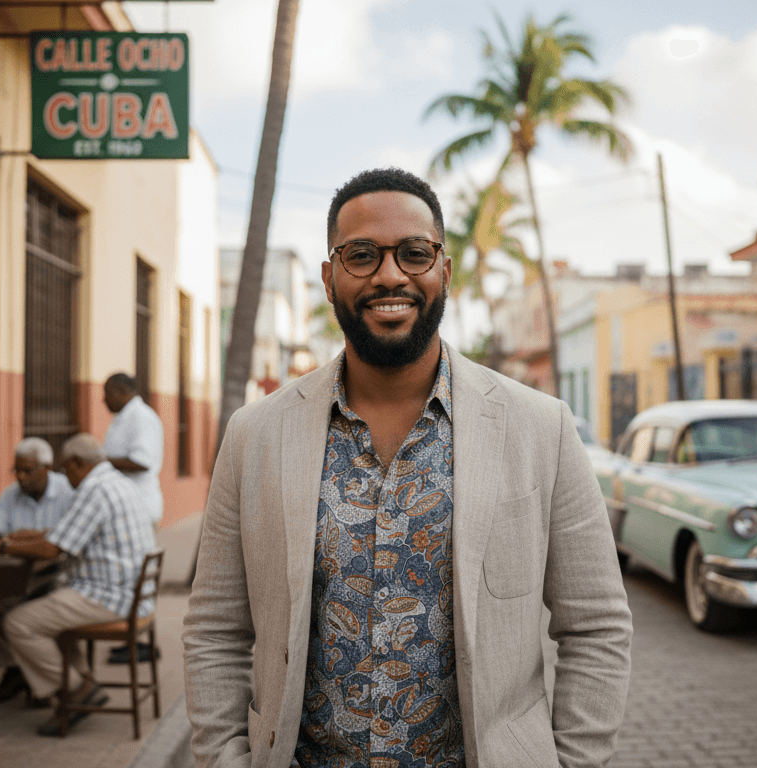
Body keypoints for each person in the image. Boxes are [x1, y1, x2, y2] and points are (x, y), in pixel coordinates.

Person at [183, 168, 632, 768]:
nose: (390, 274)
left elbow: (596, 627)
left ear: (443, 270)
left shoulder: (538, 428)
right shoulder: (255, 435)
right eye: (362, 255)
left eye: (414, 253)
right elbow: (215, 629)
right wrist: (223, 758)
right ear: (329, 277)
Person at [0, 432, 157, 736]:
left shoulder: (94, 490)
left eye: (67, 468)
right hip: (127, 592)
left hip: (109, 596)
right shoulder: (117, 483)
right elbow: (67, 534)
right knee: (46, 607)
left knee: (19, 622)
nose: (65, 475)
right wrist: (32, 536)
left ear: (78, 463)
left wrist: (4, 548)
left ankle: (75, 689)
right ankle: (80, 684)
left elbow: (53, 549)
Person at [0, 437, 74, 704]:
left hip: (58, 573)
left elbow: (60, 545)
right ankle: (16, 669)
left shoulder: (68, 491)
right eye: (18, 470)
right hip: (19, 574)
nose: (21, 477)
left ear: (46, 468)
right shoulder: (12, 494)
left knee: (39, 608)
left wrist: (28, 539)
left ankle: (42, 679)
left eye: (28, 470)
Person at [102, 372, 164, 664]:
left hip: (139, 507)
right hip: (128, 508)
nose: (103, 400)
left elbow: (142, 461)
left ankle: (140, 640)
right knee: (128, 577)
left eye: (107, 394)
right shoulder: (125, 416)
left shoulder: (141, 417)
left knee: (139, 576)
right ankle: (130, 637)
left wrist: (101, 462)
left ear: (121, 391)